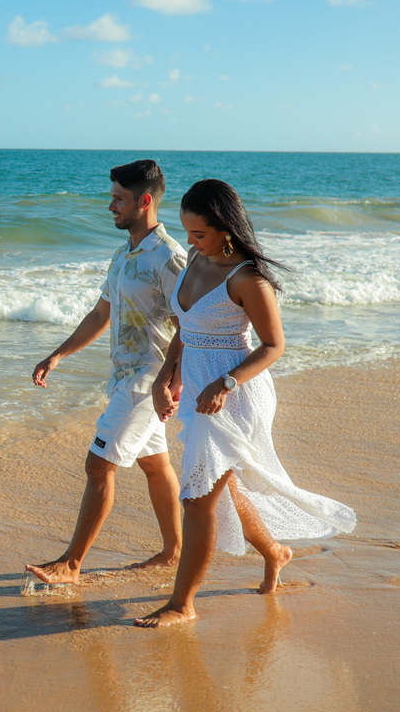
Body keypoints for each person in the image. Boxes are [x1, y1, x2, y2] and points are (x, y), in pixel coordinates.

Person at [135, 179, 357, 628]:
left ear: (226, 228)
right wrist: (166, 376)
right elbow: (188, 327)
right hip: (199, 388)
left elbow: (273, 345)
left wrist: (226, 383)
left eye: (199, 233)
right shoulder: (197, 258)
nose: (190, 242)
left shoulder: (248, 277)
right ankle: (276, 553)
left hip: (234, 395)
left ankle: (183, 604)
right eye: (188, 233)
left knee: (198, 499)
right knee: (228, 487)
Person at [26, 159, 188, 584]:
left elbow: (192, 324)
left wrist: (171, 381)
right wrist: (58, 355)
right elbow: (102, 313)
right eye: (111, 198)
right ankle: (174, 552)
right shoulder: (124, 254)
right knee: (155, 465)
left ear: (145, 200)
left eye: (118, 199)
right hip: (124, 379)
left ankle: (71, 565)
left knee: (99, 467)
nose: (110, 206)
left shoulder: (169, 258)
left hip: (146, 381)